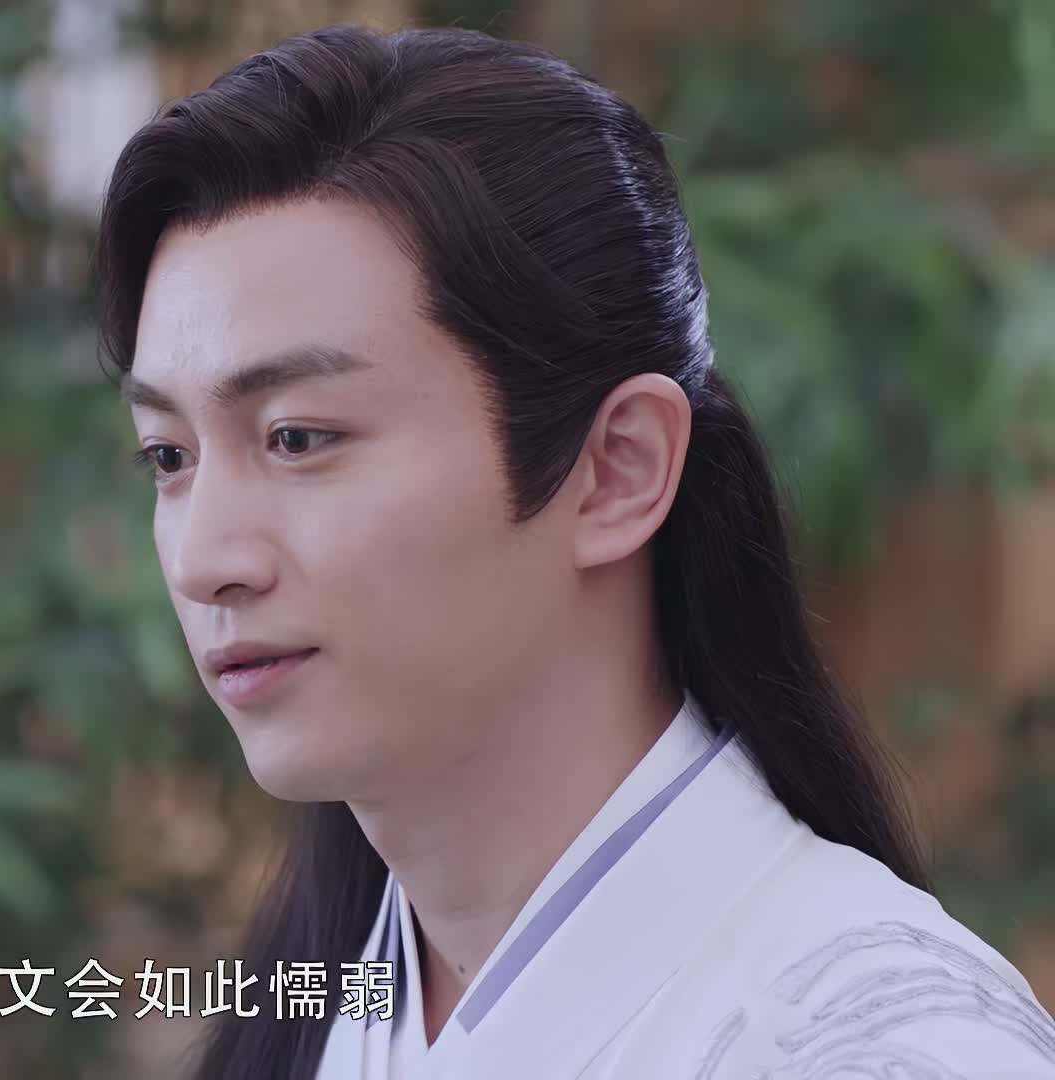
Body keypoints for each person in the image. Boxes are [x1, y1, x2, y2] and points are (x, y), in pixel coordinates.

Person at [90, 23, 1055, 1080]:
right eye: (168, 456)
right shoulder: (320, 1015)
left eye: (299, 438)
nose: (203, 561)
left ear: (617, 470)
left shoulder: (882, 1046)